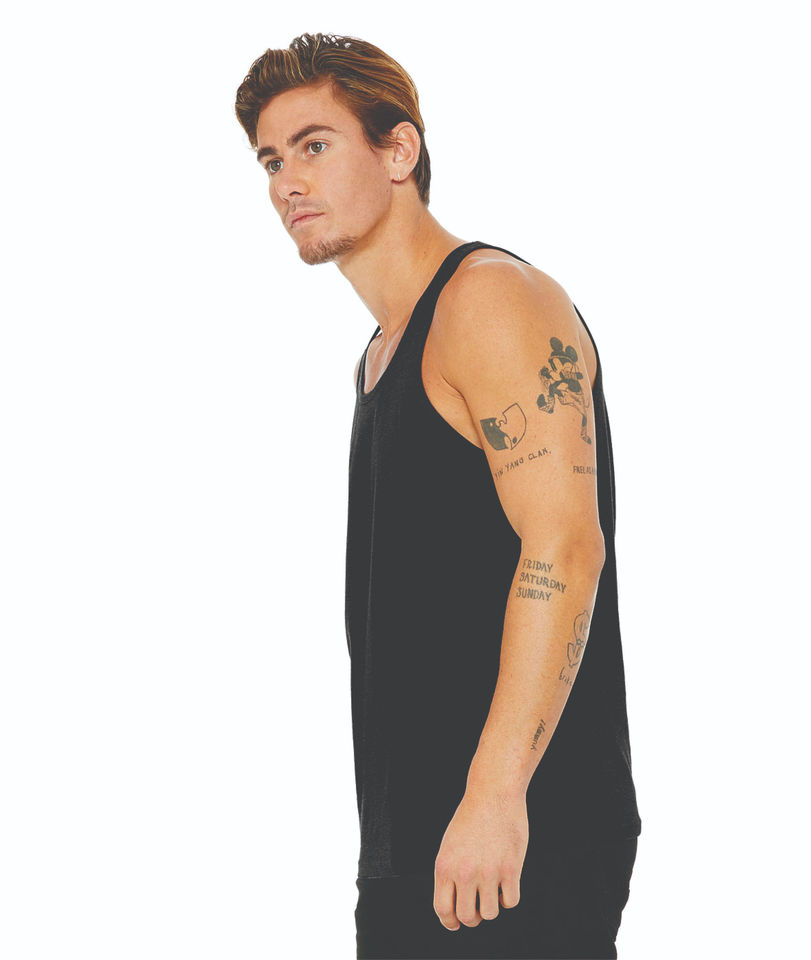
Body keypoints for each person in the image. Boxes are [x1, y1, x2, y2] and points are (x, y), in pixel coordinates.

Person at [234, 32, 642, 959]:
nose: (287, 181)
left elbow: (566, 547)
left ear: (399, 151)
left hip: (520, 833)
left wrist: (496, 794)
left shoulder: (489, 302)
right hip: (418, 836)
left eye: (314, 144)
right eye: (270, 160)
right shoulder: (382, 354)